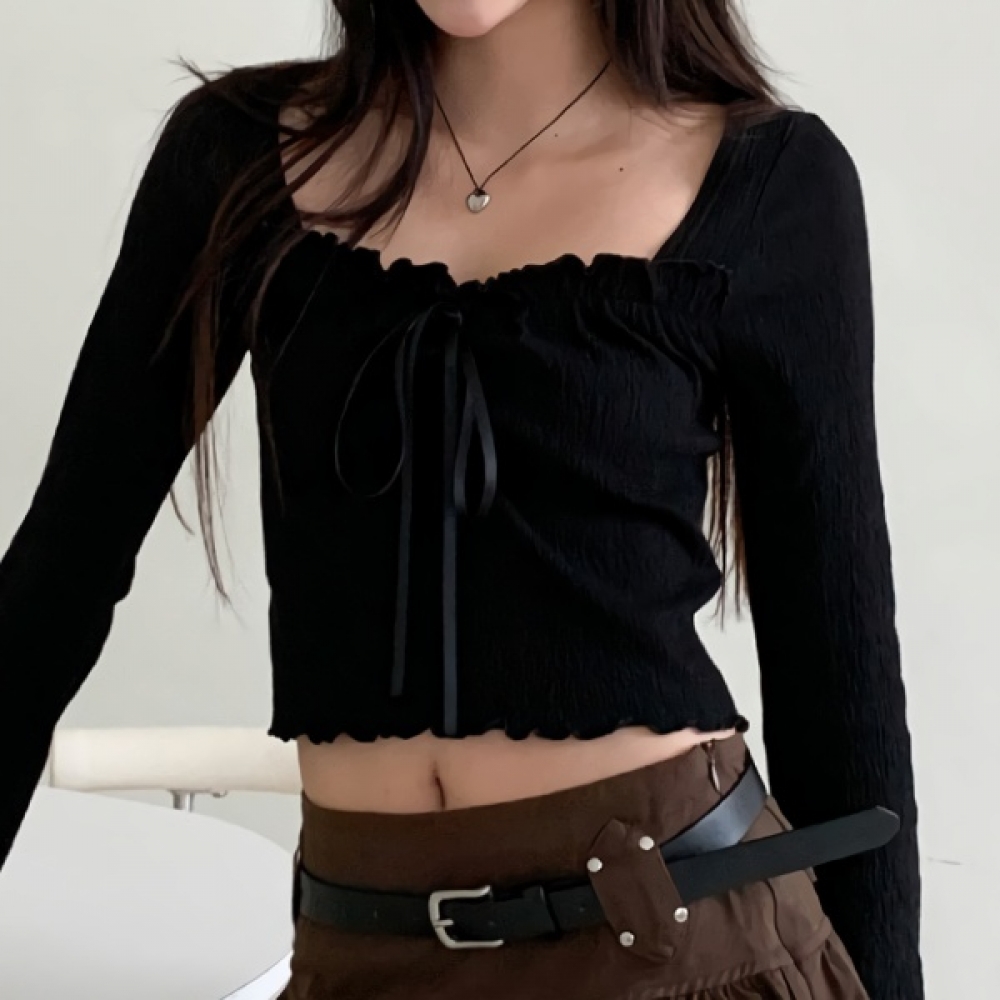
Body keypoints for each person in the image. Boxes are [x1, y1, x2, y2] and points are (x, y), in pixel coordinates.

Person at [0, 1, 922, 998]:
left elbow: (838, 681)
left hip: (677, 944)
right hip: (358, 953)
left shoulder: (770, 181)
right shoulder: (232, 158)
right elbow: (53, 585)